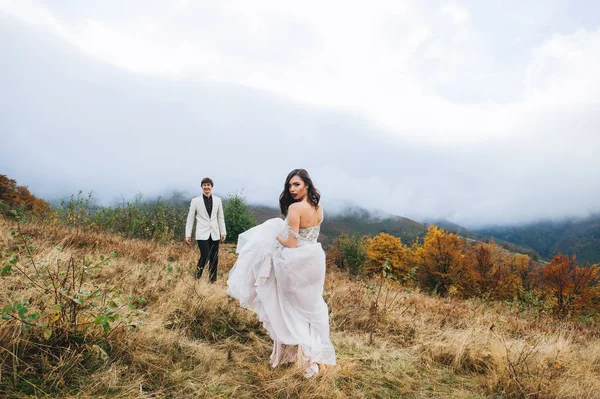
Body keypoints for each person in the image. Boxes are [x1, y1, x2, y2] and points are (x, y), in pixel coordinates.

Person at [226, 169, 336, 377]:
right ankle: (306, 357)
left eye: (297, 185)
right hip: (313, 260)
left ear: (307, 185)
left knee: (289, 309)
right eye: (290, 186)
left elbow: (291, 243)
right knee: (308, 310)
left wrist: (277, 237)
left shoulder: (295, 209)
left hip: (294, 263)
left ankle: (296, 356)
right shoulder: (318, 207)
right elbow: (310, 236)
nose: (293, 189)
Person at [185, 177, 226, 282]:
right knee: (205, 255)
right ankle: (196, 277)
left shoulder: (218, 200)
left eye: (208, 185)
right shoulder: (195, 201)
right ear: (202, 187)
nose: (206, 187)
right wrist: (188, 235)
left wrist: (223, 232)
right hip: (202, 233)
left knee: (214, 258)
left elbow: (220, 217)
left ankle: (212, 280)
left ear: (211, 187)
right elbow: (190, 219)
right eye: (204, 185)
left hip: (215, 233)